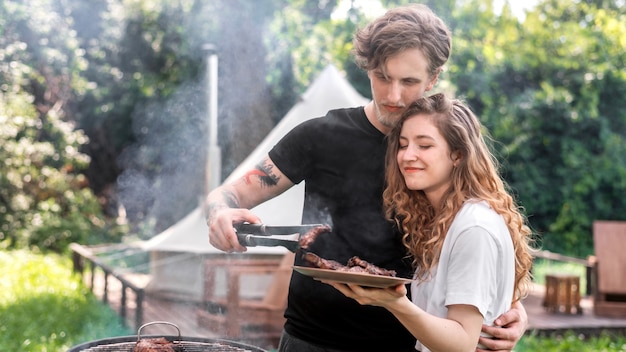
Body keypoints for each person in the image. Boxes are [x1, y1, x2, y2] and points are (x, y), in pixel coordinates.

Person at [205, 4, 527, 352]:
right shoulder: (320, 136)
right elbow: (231, 195)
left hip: (405, 343)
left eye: (409, 82)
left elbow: (475, 244)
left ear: (433, 79)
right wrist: (219, 213)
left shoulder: (442, 153)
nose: (393, 95)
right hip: (311, 341)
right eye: (382, 77)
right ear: (367, 69)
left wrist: (510, 308)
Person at [325, 93, 534, 352]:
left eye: (424, 146)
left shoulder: (474, 228)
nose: (408, 156)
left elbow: (462, 343)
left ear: (457, 155)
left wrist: (394, 302)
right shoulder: (446, 221)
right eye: (403, 145)